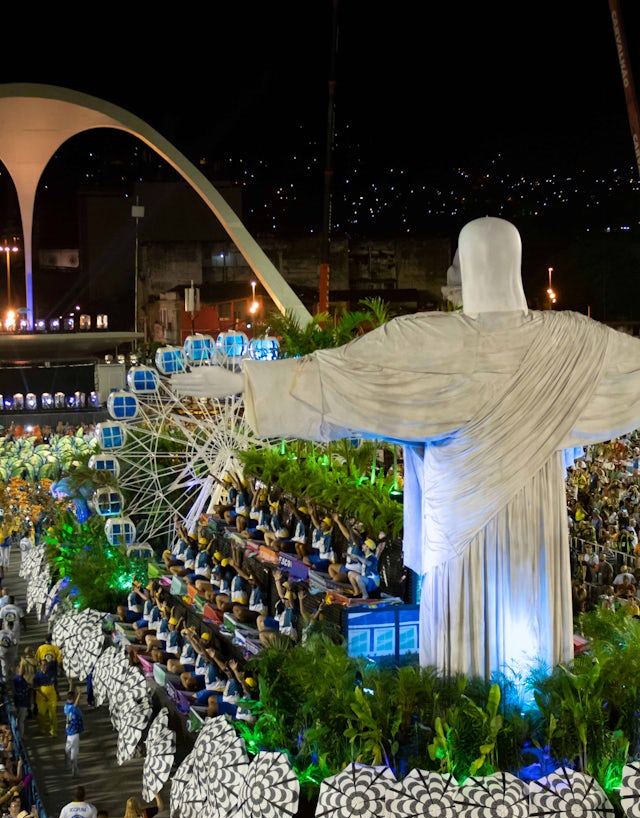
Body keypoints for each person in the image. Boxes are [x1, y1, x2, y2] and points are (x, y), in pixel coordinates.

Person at [173, 214, 640, 680]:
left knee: (466, 656)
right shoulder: (574, 343)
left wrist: (244, 381)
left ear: (471, 266)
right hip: (533, 533)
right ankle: (531, 706)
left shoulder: (432, 343)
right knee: (529, 657)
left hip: (461, 536)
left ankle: (468, 709)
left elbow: (333, 378)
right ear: (514, 265)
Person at [32, 659, 57, 736]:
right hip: (41, 698)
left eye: (46, 665)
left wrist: (57, 694)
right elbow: (36, 688)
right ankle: (42, 729)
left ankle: (53, 731)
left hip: (52, 696)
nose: (45, 666)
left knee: (53, 715)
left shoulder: (52, 673)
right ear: (40, 666)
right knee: (41, 715)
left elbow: (55, 684)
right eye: (43, 665)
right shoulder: (37, 676)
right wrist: (44, 696)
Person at [63, 688, 84, 777]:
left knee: (70, 753)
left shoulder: (66, 706)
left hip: (71, 734)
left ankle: (73, 770)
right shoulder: (72, 708)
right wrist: (79, 694)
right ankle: (73, 769)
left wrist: (71, 685)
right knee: (70, 753)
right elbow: (75, 703)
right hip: (72, 734)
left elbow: (74, 702)